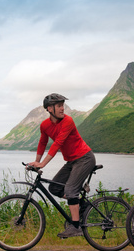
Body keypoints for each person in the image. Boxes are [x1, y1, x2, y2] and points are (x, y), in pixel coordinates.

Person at [29, 93, 96, 238]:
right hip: (72, 161)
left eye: (62, 105)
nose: (62, 108)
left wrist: (42, 164)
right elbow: (42, 143)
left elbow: (57, 143)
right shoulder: (45, 125)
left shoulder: (68, 121)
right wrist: (36, 162)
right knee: (54, 187)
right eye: (59, 106)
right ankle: (82, 205)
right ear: (49, 108)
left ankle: (76, 227)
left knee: (71, 189)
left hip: (84, 158)